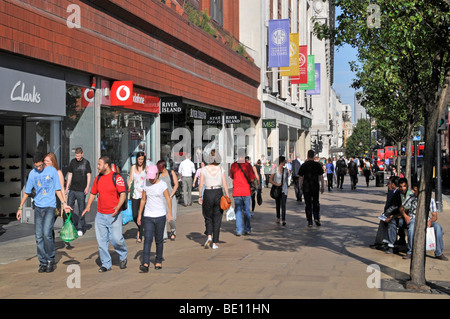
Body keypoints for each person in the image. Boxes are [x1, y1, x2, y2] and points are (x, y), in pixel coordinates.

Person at [16, 152, 71, 273]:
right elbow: (27, 191)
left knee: (47, 233)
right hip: (38, 207)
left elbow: (57, 189)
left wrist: (64, 203)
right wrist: (20, 207)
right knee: (38, 236)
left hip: (50, 206)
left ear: (43, 162)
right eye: (36, 166)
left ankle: (50, 259)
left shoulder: (52, 171)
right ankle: (43, 262)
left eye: (40, 165)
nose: (39, 168)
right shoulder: (32, 173)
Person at [82, 156, 128, 272]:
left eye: (99, 164)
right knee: (102, 241)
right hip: (101, 215)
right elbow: (92, 193)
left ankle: (123, 255)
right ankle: (106, 264)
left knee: (116, 239)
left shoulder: (116, 177)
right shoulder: (98, 178)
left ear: (106, 165)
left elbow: (123, 194)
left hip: (114, 214)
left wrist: (118, 207)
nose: (97, 166)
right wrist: (88, 206)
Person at [137, 165, 173, 272]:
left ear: (157, 174)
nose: (151, 179)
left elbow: (168, 198)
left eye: (153, 177)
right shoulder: (146, 183)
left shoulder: (162, 184)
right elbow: (143, 200)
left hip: (160, 216)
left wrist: (169, 212)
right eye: (150, 177)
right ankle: (145, 263)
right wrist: (139, 214)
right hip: (148, 216)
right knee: (147, 239)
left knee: (159, 240)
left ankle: (158, 261)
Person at [399, 184, 447, 260]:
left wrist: (430, 221)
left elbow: (435, 216)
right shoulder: (411, 198)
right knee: (411, 229)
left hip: (426, 219)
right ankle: (410, 252)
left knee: (438, 227)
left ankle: (439, 253)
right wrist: (406, 216)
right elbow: (401, 208)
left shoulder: (430, 200)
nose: (413, 191)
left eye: (415, 190)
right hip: (413, 219)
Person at [198, 150, 229, 249]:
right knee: (217, 218)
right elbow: (225, 184)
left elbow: (201, 184)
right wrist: (227, 196)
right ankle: (215, 242)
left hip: (208, 192)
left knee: (208, 216)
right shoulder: (220, 169)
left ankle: (209, 236)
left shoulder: (204, 169)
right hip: (218, 192)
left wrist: (200, 196)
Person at [65, 147, 91, 236]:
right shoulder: (72, 162)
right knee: (69, 207)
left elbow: (88, 175)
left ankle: (80, 227)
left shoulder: (86, 163)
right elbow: (70, 174)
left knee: (81, 209)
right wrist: (67, 187)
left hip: (81, 190)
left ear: (82, 154)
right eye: (76, 156)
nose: (78, 158)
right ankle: (70, 225)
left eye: (79, 156)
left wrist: (87, 187)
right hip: (72, 189)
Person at [230, 149, 256, 236]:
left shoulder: (233, 165)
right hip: (246, 191)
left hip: (237, 191)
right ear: (244, 155)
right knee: (246, 211)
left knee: (238, 211)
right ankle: (247, 229)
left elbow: (232, 176)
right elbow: (252, 179)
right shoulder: (248, 165)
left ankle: (239, 230)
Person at [370, 176, 400, 250]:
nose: (388, 185)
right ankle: (383, 241)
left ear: (393, 184)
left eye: (389, 183)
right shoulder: (393, 192)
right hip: (393, 213)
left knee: (386, 222)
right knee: (383, 221)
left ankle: (384, 242)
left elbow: (393, 206)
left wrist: (387, 215)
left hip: (396, 215)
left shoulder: (394, 193)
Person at [384, 178, 412, 254]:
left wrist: (398, 215)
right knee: (391, 222)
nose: (402, 188)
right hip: (401, 217)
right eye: (401, 186)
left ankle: (410, 248)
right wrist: (388, 215)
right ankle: (392, 245)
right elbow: (395, 205)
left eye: (404, 186)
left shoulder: (410, 195)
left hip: (410, 218)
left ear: (407, 186)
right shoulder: (397, 194)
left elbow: (407, 210)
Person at [298, 150, 325, 227]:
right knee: (316, 202)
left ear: (307, 156)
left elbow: (300, 177)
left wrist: (300, 186)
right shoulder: (317, 165)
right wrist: (322, 186)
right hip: (315, 187)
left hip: (306, 188)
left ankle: (309, 221)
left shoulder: (304, 165)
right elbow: (321, 176)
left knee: (308, 204)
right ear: (313, 156)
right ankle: (316, 217)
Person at [156, 159, 179, 241]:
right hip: (162, 198)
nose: (158, 169)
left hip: (171, 197)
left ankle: (173, 231)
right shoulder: (158, 174)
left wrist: (171, 194)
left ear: (163, 166)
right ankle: (164, 235)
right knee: (163, 217)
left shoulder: (171, 172)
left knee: (172, 217)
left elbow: (176, 184)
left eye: (159, 167)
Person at [128, 151, 147, 243]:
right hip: (135, 194)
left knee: (142, 215)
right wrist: (127, 190)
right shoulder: (133, 167)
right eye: (139, 159)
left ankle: (140, 234)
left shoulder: (146, 168)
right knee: (135, 215)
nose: (140, 161)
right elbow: (130, 179)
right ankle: (141, 227)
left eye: (142, 159)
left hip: (144, 195)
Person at [269, 156, 290, 225]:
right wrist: (277, 184)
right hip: (277, 189)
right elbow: (270, 180)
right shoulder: (274, 169)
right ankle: (278, 218)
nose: (285, 162)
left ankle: (283, 219)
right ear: (281, 162)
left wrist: (286, 186)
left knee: (283, 204)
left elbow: (286, 180)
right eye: (284, 161)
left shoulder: (285, 170)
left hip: (284, 189)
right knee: (278, 204)